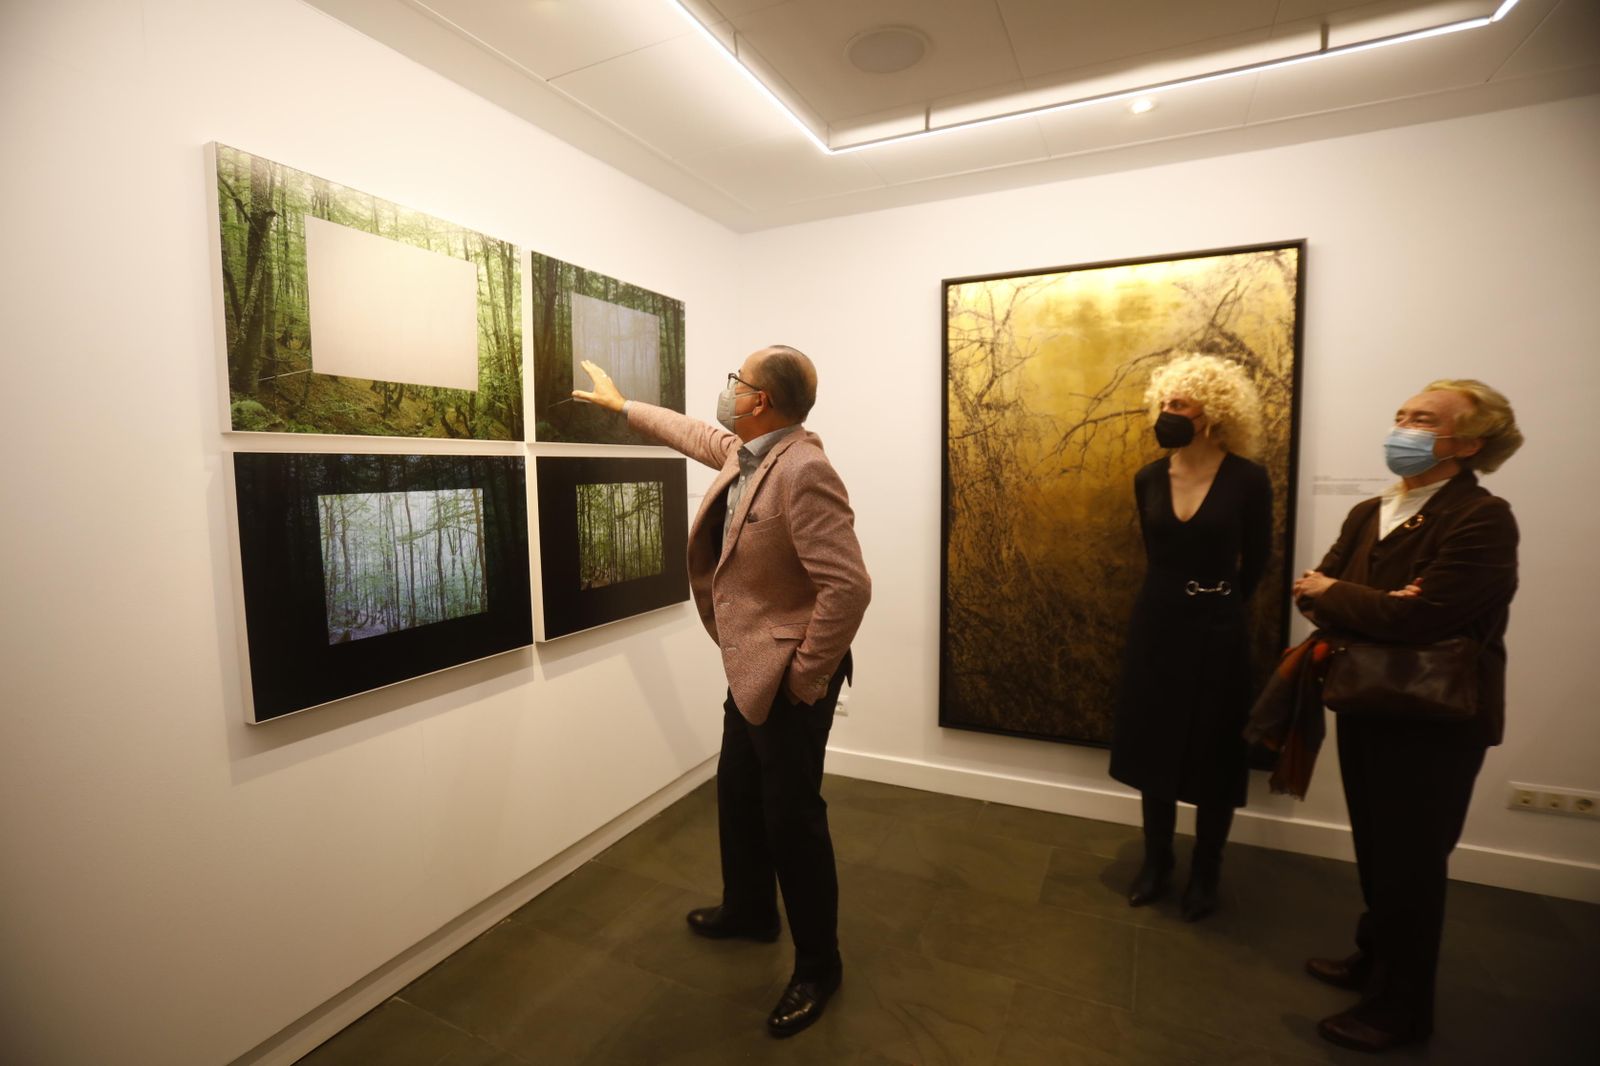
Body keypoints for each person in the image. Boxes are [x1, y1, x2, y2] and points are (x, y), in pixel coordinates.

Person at [573, 346, 870, 1039]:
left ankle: (819, 964)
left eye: (738, 380)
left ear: (760, 399)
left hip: (787, 679)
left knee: (792, 819)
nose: (728, 388)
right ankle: (749, 911)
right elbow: (696, 435)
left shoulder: (804, 469)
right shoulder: (752, 453)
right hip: (748, 673)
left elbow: (848, 587)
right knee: (738, 793)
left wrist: (803, 676)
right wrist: (623, 407)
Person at [1294, 379, 1521, 1053]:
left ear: (1470, 442)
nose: (1404, 427)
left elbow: (1425, 615)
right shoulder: (1372, 510)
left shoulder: (1482, 516)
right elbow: (1314, 591)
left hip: (1436, 719)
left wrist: (1349, 596)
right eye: (1401, 415)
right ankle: (1375, 959)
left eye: (1423, 419)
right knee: (1375, 847)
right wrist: (1364, 599)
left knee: (1413, 863)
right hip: (1366, 698)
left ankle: (1402, 1010)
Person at [1110, 353, 1273, 921]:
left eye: (1180, 404)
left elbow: (1257, 562)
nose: (1167, 413)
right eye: (1164, 403)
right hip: (1158, 621)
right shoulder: (1149, 477)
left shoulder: (1249, 479)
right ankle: (1157, 862)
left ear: (1212, 412)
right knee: (1153, 739)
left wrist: (1220, 601)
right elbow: (1157, 555)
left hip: (1219, 627)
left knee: (1215, 750)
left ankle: (1207, 868)